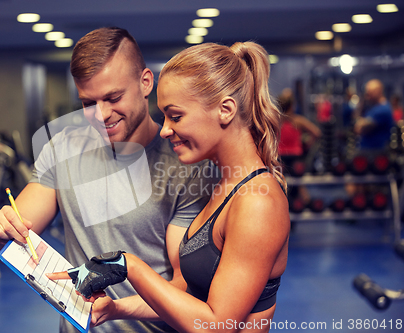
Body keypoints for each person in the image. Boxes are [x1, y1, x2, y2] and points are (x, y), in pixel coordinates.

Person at [0, 27, 218, 333]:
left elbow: (184, 284)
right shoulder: (63, 149)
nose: (101, 114)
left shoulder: (187, 165)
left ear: (146, 82)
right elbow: (15, 238)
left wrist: (118, 308)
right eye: (88, 103)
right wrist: (0, 231)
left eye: (113, 97)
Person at [49, 41, 290, 333]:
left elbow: (216, 325)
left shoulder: (257, 201)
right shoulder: (226, 186)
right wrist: (116, 308)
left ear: (225, 110)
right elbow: (191, 298)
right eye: (164, 116)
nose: (164, 129)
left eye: (175, 116)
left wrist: (129, 266)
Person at [354, 79, 394, 150]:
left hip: (376, 152)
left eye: (369, 93)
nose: (367, 97)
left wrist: (360, 123)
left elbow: (360, 128)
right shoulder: (374, 108)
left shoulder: (383, 110)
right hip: (368, 150)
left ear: (377, 91)